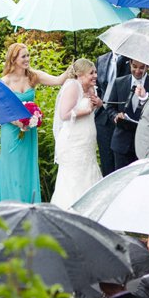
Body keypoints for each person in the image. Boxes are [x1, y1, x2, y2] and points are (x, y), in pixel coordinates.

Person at [0, 42, 68, 203]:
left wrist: (72, 69)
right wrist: (18, 123)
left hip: (29, 132)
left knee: (26, 169)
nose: (27, 59)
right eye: (23, 56)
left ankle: (28, 204)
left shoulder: (34, 76)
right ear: (13, 59)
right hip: (11, 131)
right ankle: (11, 205)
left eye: (28, 55)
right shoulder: (4, 81)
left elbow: (58, 80)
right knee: (12, 168)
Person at [50, 58, 103, 209]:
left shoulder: (92, 88)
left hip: (87, 142)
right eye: (91, 73)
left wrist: (98, 103)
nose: (95, 76)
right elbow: (64, 114)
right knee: (74, 177)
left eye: (95, 72)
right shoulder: (73, 87)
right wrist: (85, 110)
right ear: (80, 74)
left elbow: (95, 106)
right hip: (73, 142)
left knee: (88, 172)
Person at [106, 59, 149, 170]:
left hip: (143, 145)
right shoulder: (119, 82)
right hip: (121, 143)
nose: (137, 71)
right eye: (134, 66)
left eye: (141, 67)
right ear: (129, 64)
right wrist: (115, 116)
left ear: (148, 66)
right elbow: (110, 107)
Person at [94, 51, 130, 176]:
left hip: (121, 118)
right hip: (102, 119)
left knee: (121, 166)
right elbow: (97, 86)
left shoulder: (132, 60)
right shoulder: (101, 59)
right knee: (106, 162)